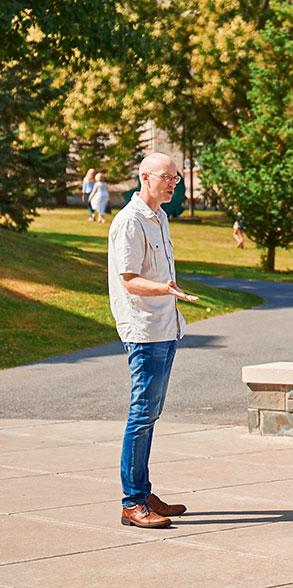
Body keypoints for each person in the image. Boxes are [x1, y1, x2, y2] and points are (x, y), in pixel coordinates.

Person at [108, 152, 199, 528]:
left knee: (150, 415)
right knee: (141, 414)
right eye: (168, 178)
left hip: (165, 328)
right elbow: (128, 279)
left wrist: (168, 295)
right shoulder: (129, 222)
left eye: (176, 178)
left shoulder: (159, 217)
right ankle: (132, 502)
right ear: (145, 177)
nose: (174, 184)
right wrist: (165, 289)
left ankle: (143, 492)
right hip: (144, 331)